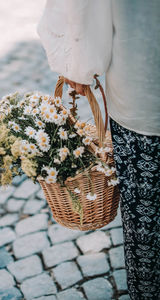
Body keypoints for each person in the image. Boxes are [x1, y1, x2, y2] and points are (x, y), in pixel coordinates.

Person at [37, 1, 160, 299]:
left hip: (142, 92)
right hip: (143, 92)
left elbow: (83, 7)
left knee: (147, 230)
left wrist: (78, 66)